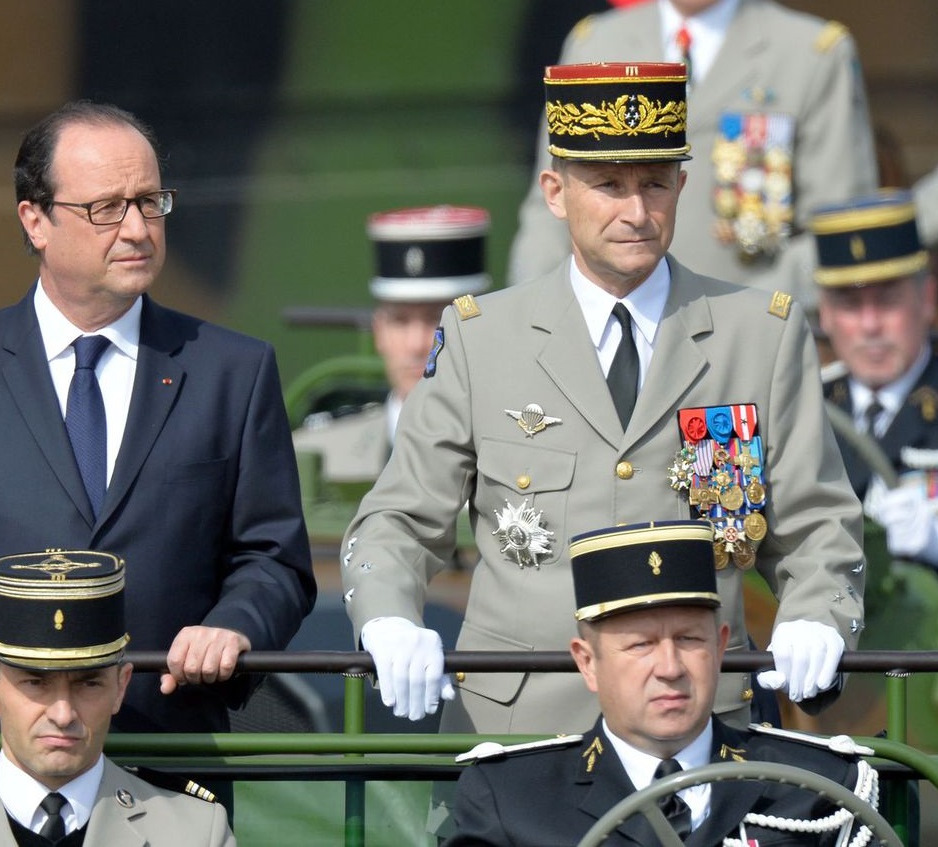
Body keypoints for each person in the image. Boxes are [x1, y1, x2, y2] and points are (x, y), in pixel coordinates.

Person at [342, 62, 864, 734]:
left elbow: (818, 523)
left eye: (653, 183)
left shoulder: (757, 332)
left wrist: (817, 614)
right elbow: (398, 519)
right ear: (555, 192)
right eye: (607, 185)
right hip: (521, 732)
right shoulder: (482, 337)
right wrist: (385, 614)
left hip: (700, 724)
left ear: (682, 183)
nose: (636, 212)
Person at [0, 100, 316, 734]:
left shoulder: (232, 371)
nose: (138, 229)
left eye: (150, 202)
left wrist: (234, 625)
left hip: (165, 754)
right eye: (105, 209)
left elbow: (274, 558)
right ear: (34, 220)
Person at [447, 520, 878, 846]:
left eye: (689, 640)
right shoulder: (513, 798)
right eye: (641, 645)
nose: (670, 667)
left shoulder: (815, 788)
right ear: (588, 662)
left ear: (720, 646)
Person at [0, 549, 235, 847]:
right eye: (36, 683)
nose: (63, 713)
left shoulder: (195, 830)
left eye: (88, 684)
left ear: (121, 686)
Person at [507, 0, 877, 306]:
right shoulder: (597, 42)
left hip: (746, 340)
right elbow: (549, 213)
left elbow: (838, 231)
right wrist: (544, 317)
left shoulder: (809, 52)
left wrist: (743, 314)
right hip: (605, 328)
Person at [816, 190, 938, 597]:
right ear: (824, 313)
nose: (869, 325)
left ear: (927, 299)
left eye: (887, 301)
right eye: (849, 304)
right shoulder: (803, 406)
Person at [294, 205, 491, 486]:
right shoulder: (314, 455)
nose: (416, 344)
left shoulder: (519, 453)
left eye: (437, 318)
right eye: (399, 321)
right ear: (379, 331)